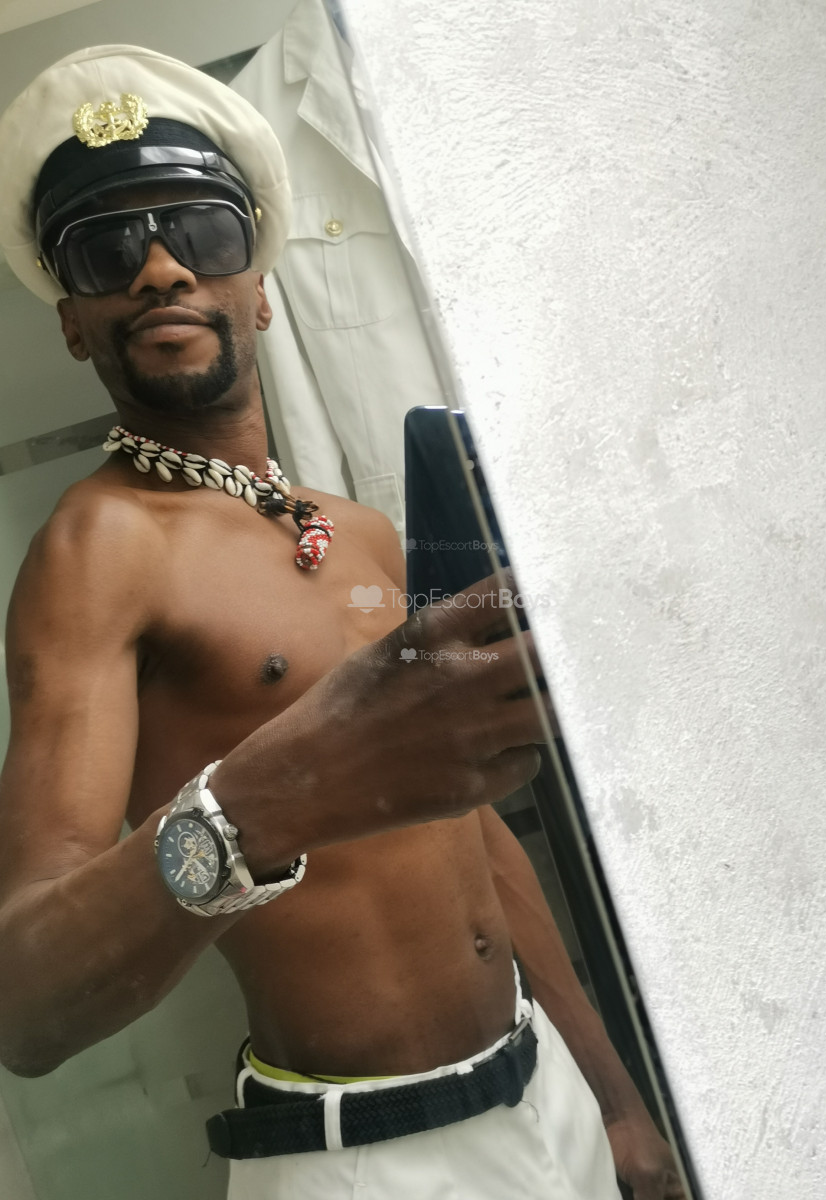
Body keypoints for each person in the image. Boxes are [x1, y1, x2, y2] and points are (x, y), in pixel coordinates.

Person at [0, 44, 685, 1200]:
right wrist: (278, 791)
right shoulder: (100, 546)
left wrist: (614, 1101)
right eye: (108, 251)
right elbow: (27, 1000)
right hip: (366, 1157)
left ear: (259, 288)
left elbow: (477, 835)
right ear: (74, 323)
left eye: (200, 232)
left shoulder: (357, 529)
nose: (160, 267)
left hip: (544, 1092)